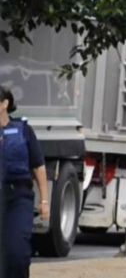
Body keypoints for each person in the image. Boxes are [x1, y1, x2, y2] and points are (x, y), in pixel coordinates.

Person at [0, 86, 49, 278]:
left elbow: (38, 166)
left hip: (18, 197)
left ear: (5, 104)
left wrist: (44, 201)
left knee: (17, 253)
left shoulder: (23, 130)